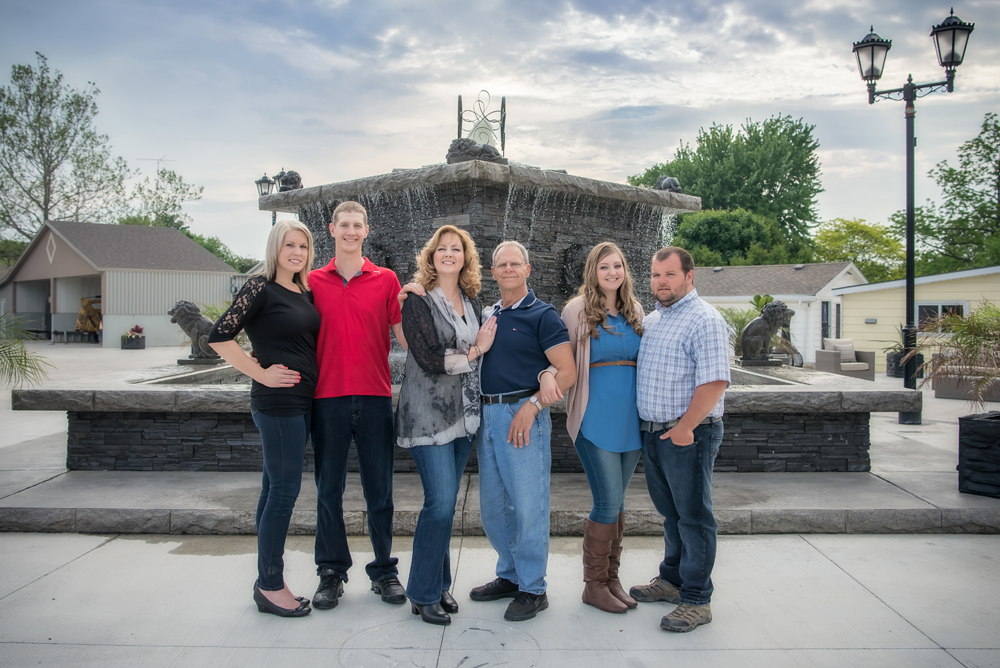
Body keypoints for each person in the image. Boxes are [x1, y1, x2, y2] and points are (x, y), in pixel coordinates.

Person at [208, 219, 319, 618]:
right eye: (289, 245)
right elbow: (219, 336)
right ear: (275, 247)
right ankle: (271, 585)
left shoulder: (302, 290)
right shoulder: (259, 287)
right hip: (277, 404)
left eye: (303, 247)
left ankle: (266, 579)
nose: (296, 252)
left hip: (302, 401)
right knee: (285, 492)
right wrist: (260, 373)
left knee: (273, 489)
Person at [468, 240, 576, 622]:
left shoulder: (543, 316)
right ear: (493, 272)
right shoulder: (488, 313)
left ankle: (533, 587)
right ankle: (510, 575)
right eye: (501, 264)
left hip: (522, 415)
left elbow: (568, 371)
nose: (508, 269)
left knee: (530, 506)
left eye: (516, 263)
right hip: (489, 417)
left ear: (528, 270)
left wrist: (532, 406)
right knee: (494, 508)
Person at [395, 225, 497, 626]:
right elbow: (428, 358)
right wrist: (474, 350)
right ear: (431, 257)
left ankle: (438, 585)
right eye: (442, 249)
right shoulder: (419, 300)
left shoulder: (472, 300)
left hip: (463, 416)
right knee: (438, 504)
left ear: (466, 257)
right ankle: (421, 593)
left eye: (457, 249)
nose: (449, 254)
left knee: (446, 504)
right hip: (427, 416)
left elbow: (487, 351)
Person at [310, 201, 408, 610]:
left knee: (379, 491)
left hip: (374, 397)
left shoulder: (385, 280)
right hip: (326, 399)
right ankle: (331, 573)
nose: (350, 231)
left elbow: (406, 336)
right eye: (343, 225)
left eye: (357, 225)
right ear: (331, 230)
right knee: (328, 491)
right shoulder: (311, 281)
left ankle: (384, 571)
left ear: (366, 231)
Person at [629, 246, 730, 633]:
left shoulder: (704, 319)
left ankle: (696, 599)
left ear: (690, 276)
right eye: (656, 276)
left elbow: (716, 380)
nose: (661, 282)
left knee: (694, 517)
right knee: (671, 514)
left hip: (689, 434)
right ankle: (672, 580)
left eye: (669, 275)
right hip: (655, 433)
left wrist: (686, 427)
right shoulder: (654, 320)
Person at [550, 242, 644, 614]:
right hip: (594, 415)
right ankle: (593, 585)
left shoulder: (635, 310)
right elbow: (558, 359)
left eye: (618, 266)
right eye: (604, 266)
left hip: (630, 420)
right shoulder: (576, 310)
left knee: (619, 503)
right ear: (593, 271)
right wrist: (544, 380)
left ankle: (611, 578)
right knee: (606, 500)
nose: (612, 272)